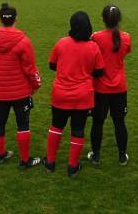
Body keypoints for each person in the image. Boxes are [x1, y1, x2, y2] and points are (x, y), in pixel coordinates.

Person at [44, 11, 105, 176]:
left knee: (56, 125)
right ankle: (72, 166)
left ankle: (50, 162)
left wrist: (66, 68)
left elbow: (51, 65)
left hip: (61, 93)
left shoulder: (62, 43)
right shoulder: (93, 47)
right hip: (82, 95)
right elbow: (99, 71)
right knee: (78, 129)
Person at [0, 3, 42, 168]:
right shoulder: (24, 41)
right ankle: (24, 160)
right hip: (20, 92)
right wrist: (36, 85)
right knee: (23, 124)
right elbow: (30, 68)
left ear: (0, 19)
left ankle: (0, 154)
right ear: (16, 18)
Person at [88, 5, 132, 166]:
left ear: (103, 19)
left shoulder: (96, 37)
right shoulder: (126, 37)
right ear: (119, 19)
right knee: (119, 121)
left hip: (100, 87)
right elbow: (124, 54)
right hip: (120, 86)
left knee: (98, 122)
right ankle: (122, 156)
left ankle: (96, 155)